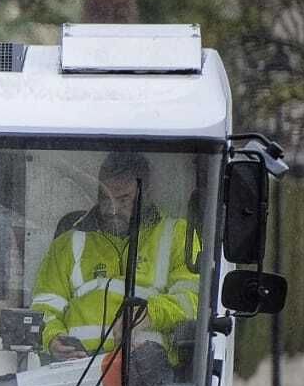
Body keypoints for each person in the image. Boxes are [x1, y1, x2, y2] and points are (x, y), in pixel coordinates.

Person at [30, 151, 200, 365]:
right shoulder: (67, 243)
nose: (112, 210)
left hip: (146, 370)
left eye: (123, 199)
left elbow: (194, 300)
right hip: (77, 372)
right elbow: (44, 306)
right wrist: (53, 338)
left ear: (145, 195)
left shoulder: (178, 236)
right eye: (105, 198)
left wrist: (150, 313)